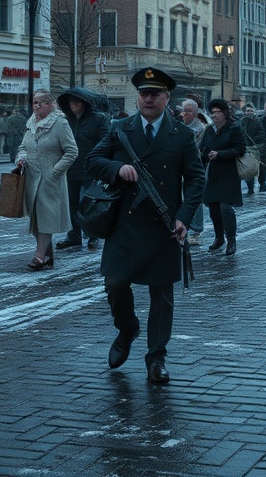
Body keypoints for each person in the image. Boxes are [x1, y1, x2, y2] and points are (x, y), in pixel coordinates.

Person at [86, 67, 204, 385]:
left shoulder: (181, 135)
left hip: (164, 225)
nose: (148, 98)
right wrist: (118, 166)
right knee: (114, 284)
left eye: (155, 94)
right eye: (143, 93)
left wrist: (184, 216)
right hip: (124, 224)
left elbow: (195, 179)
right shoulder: (119, 128)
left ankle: (156, 359)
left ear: (167, 98)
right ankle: (127, 329)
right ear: (138, 97)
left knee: (161, 297)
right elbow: (92, 161)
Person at [15, 89, 78, 271]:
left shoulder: (60, 124)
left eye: (42, 102)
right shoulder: (31, 124)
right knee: (35, 217)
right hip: (31, 178)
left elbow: (72, 151)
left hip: (50, 179)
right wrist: (21, 158)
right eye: (35, 102)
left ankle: (40, 255)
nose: (37, 106)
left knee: (46, 217)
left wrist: (55, 171)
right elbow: (23, 146)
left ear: (51, 105)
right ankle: (47, 252)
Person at [55, 87, 109, 251]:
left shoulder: (98, 119)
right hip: (71, 168)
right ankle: (74, 235)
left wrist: (99, 162)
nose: (73, 106)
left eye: (76, 102)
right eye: (71, 103)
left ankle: (93, 235)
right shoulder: (66, 121)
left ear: (84, 103)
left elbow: (105, 141)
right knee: (71, 203)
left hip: (90, 168)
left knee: (89, 204)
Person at [201, 99, 245, 254]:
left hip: (229, 173)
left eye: (218, 112)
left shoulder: (233, 129)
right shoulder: (209, 130)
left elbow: (240, 149)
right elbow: (203, 149)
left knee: (226, 208)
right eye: (213, 112)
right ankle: (219, 237)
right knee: (213, 208)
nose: (215, 115)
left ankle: (231, 240)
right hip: (213, 174)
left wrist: (220, 154)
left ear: (225, 113)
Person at [180, 99, 207, 244]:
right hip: (178, 166)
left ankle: (196, 230)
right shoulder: (178, 125)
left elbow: (196, 148)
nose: (185, 114)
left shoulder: (200, 128)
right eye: (184, 111)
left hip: (194, 167)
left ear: (196, 113)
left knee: (195, 197)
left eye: (188, 111)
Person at [238, 103, 263, 196]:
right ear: (245, 112)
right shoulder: (241, 121)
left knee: (251, 168)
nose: (249, 113)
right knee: (242, 167)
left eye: (251, 111)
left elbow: (261, 134)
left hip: (253, 147)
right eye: (248, 111)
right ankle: (248, 187)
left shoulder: (257, 121)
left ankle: (251, 188)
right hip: (242, 147)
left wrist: (254, 140)